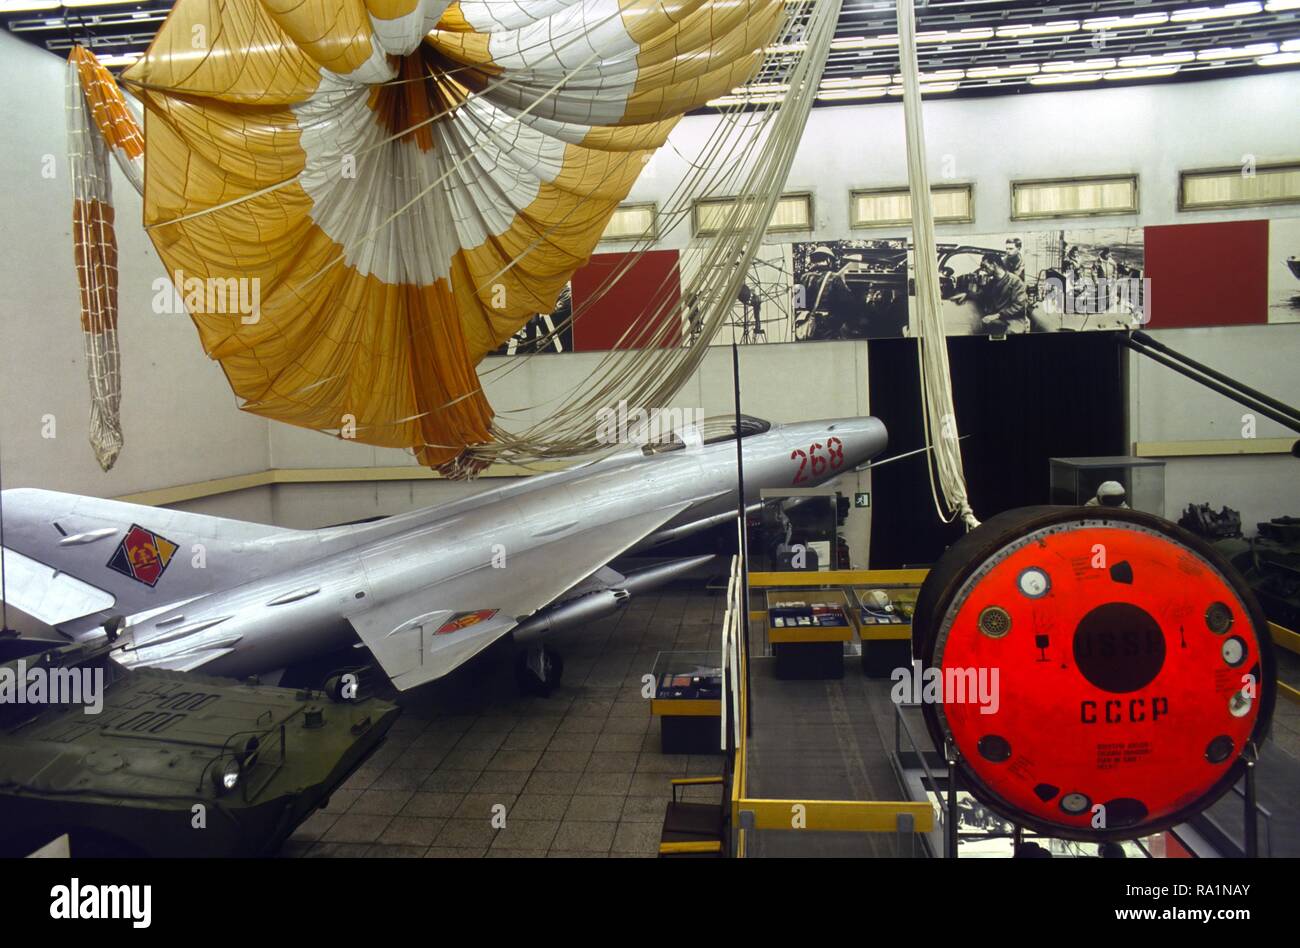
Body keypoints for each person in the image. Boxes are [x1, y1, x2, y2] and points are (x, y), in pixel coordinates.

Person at [951, 253, 1029, 335]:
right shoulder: (992, 282)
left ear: (994, 264)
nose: (983, 270)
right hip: (999, 319)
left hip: (1014, 320)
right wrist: (967, 294)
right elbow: (982, 296)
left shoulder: (1015, 281)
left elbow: (1019, 306)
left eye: (985, 266)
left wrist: (997, 315)